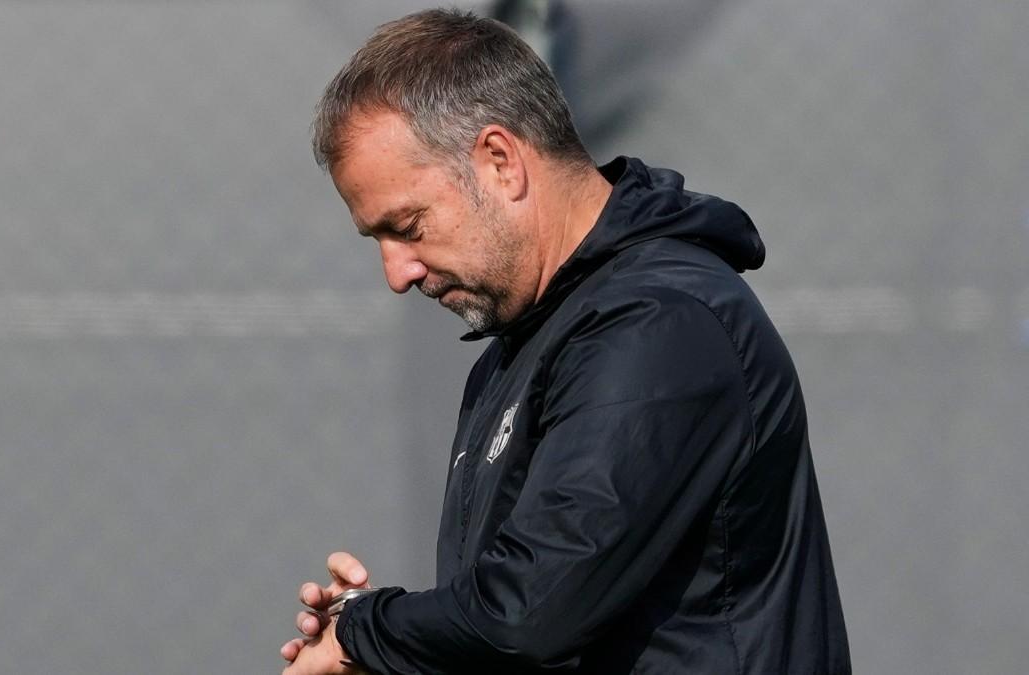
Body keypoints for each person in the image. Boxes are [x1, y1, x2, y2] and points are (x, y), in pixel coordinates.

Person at [281, 8, 850, 674]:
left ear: (499, 161)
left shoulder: (658, 324)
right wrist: (388, 650)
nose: (398, 273)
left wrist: (364, 630)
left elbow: (530, 611)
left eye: (407, 226)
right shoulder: (527, 346)